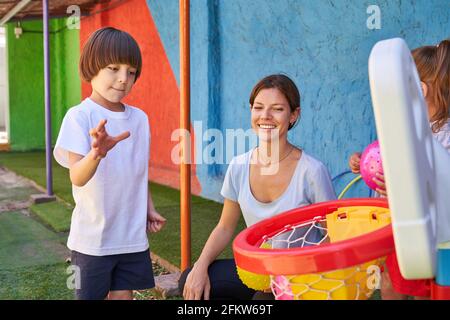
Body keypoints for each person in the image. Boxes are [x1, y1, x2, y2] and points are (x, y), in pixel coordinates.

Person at [179, 74, 336, 300]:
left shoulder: (312, 171)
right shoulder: (239, 166)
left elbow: (330, 237)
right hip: (260, 269)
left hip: (302, 277)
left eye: (277, 109)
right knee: (191, 280)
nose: (265, 116)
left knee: (262, 300)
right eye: (258, 107)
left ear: (294, 115)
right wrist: (200, 266)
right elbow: (224, 227)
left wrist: (290, 277)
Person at [53, 27, 166, 300]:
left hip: (130, 235)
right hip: (93, 240)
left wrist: (148, 208)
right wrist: (96, 154)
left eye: (131, 72)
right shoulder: (79, 116)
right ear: (91, 67)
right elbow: (77, 177)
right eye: (113, 68)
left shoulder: (140, 119)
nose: (122, 79)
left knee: (123, 296)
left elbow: (138, 171)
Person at [348, 39, 450, 299]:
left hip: (426, 231)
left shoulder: (443, 135)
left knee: (425, 286)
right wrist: (364, 163)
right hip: (395, 225)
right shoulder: (405, 125)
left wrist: (398, 186)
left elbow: (435, 183)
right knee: (390, 281)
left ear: (419, 89)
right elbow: (383, 157)